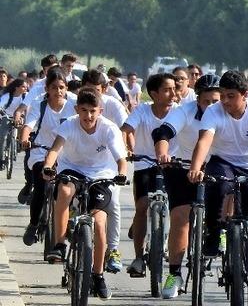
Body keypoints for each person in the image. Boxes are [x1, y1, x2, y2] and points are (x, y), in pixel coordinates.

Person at [187, 70, 248, 305]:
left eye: (231, 96)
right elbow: (204, 141)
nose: (225, 101)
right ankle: (213, 232)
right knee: (216, 185)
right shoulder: (213, 111)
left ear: (245, 95)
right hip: (224, 162)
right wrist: (196, 167)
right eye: (223, 96)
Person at [41, 86, 127, 300]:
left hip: (101, 175)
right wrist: (48, 167)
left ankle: (98, 276)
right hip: (72, 169)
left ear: (100, 111)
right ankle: (59, 244)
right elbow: (55, 149)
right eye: (84, 110)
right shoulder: (69, 124)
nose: (88, 116)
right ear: (77, 109)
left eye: (93, 111)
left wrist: (122, 174)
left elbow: (120, 159)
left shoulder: (109, 129)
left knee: (99, 224)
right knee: (64, 189)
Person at [150, 73, 221, 298]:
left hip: (217, 167)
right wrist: (162, 153)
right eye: (206, 101)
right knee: (181, 217)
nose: (211, 106)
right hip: (183, 167)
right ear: (197, 99)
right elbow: (164, 132)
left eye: (215, 101)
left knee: (226, 202)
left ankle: (224, 235)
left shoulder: (227, 112)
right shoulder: (184, 111)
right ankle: (174, 273)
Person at [121, 73, 176, 277]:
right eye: (167, 90)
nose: (173, 94)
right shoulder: (142, 111)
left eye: (174, 89)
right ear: (154, 94)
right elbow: (126, 130)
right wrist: (126, 148)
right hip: (145, 164)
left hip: (174, 166)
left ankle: (170, 246)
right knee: (142, 206)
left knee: (177, 209)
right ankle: (138, 257)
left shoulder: (179, 112)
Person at [19, 68, 77, 247]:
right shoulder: (39, 103)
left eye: (61, 87)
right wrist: (24, 138)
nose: (58, 91)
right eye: (54, 87)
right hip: (41, 151)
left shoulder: (74, 103)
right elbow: (29, 125)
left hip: (67, 154)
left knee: (74, 187)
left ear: (66, 87)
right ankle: (34, 223)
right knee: (41, 184)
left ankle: (71, 220)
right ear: (47, 89)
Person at [81, 69, 129, 273]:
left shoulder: (113, 105)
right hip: (79, 162)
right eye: (88, 89)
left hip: (107, 165)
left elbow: (126, 128)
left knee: (113, 204)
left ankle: (114, 249)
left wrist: (124, 153)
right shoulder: (77, 104)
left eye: (97, 90)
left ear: (105, 89)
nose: (93, 94)